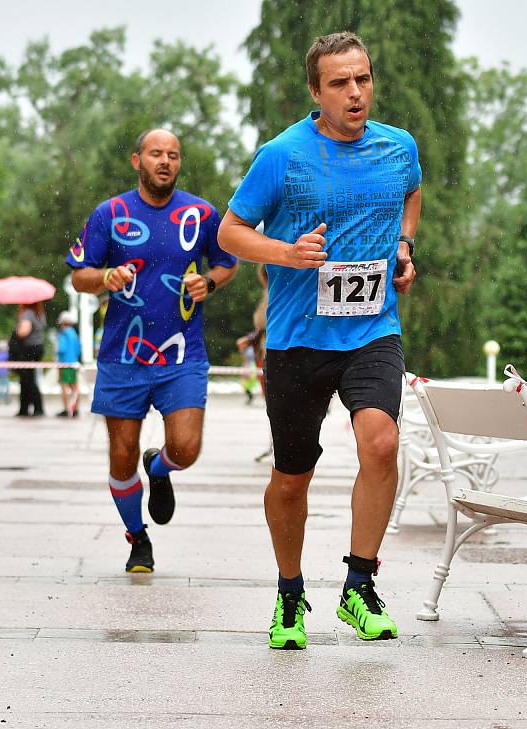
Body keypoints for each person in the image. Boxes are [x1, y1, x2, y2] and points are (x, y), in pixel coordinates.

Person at [218, 31, 421, 649]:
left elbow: (410, 192)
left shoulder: (398, 147)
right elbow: (230, 232)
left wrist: (405, 247)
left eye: (362, 79)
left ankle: (359, 586)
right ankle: (289, 595)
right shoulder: (282, 154)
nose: (355, 93)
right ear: (316, 92)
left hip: (371, 328)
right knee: (292, 475)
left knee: (381, 445)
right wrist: (286, 252)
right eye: (340, 83)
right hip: (298, 339)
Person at [67, 128, 237, 573]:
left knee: (186, 448)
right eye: (156, 154)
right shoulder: (111, 213)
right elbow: (78, 276)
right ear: (136, 160)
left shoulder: (202, 213)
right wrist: (104, 278)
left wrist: (210, 281)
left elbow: (227, 261)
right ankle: (137, 538)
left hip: (182, 354)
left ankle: (159, 469)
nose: (165, 162)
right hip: (123, 357)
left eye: (174, 155)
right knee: (121, 458)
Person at [12, 303, 46, 417]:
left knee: (26, 380)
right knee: (30, 379)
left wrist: (17, 329)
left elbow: (23, 332)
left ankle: (30, 408)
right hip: (38, 347)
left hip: (28, 349)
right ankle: (33, 407)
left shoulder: (27, 313)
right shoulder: (40, 314)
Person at [56, 311, 82, 417]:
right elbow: (78, 349)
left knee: (65, 386)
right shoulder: (74, 334)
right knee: (75, 387)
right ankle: (75, 408)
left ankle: (67, 409)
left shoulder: (63, 334)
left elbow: (61, 349)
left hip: (65, 363)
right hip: (74, 362)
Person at [0, 340, 10, 404]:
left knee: (3, 386)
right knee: (5, 386)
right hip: (4, 373)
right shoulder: (5, 355)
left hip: (0, 373)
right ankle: (2, 398)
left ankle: (5, 398)